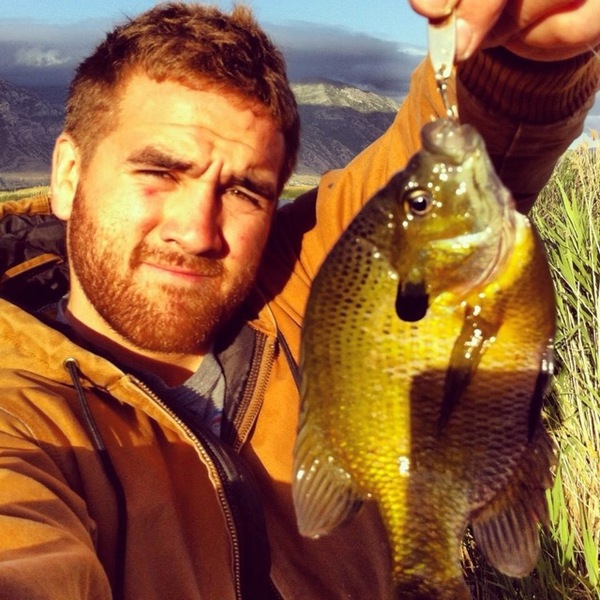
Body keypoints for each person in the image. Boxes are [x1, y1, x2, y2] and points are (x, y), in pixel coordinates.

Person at [0, 1, 598, 598]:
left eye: (244, 191)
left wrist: (523, 53)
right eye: (159, 172)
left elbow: (461, 156)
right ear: (68, 174)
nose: (198, 231)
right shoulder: (17, 415)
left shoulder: (313, 279)